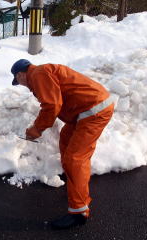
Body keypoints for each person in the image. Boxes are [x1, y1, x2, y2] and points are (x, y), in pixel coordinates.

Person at [10, 59, 114, 229]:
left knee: (75, 159)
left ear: (20, 74)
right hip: (85, 110)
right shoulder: (42, 73)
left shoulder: (37, 74)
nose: (21, 84)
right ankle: (73, 179)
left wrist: (36, 129)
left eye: (18, 81)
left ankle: (79, 212)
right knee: (65, 138)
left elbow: (52, 105)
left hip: (94, 111)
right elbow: (57, 99)